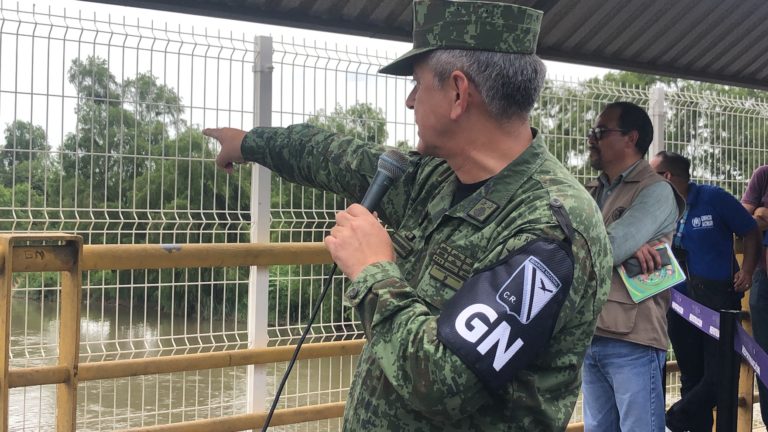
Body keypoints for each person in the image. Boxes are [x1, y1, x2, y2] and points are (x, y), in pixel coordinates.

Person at [204, 1, 613, 430]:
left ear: (458, 93)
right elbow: (335, 157)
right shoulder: (439, 178)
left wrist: (374, 270)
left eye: (418, 85)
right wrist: (249, 142)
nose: (410, 100)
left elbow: (442, 381)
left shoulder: (548, 227)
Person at [581, 102, 685, 432]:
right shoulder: (593, 191)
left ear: (631, 137)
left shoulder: (655, 191)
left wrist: (617, 247)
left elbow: (604, 249)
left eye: (601, 131)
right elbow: (559, 244)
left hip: (632, 339)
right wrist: (623, 247)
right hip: (590, 332)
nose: (591, 138)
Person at [650, 151, 760, 432]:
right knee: (691, 377)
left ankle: (673, 418)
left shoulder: (713, 198)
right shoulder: (657, 207)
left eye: (652, 175)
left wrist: (747, 269)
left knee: (719, 378)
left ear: (667, 177)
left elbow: (751, 231)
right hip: (677, 303)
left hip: (718, 303)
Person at [742, 164, 768, 427]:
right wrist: (758, 214)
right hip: (764, 279)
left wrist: (764, 213)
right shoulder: (764, 175)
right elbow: (743, 218)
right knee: (764, 356)